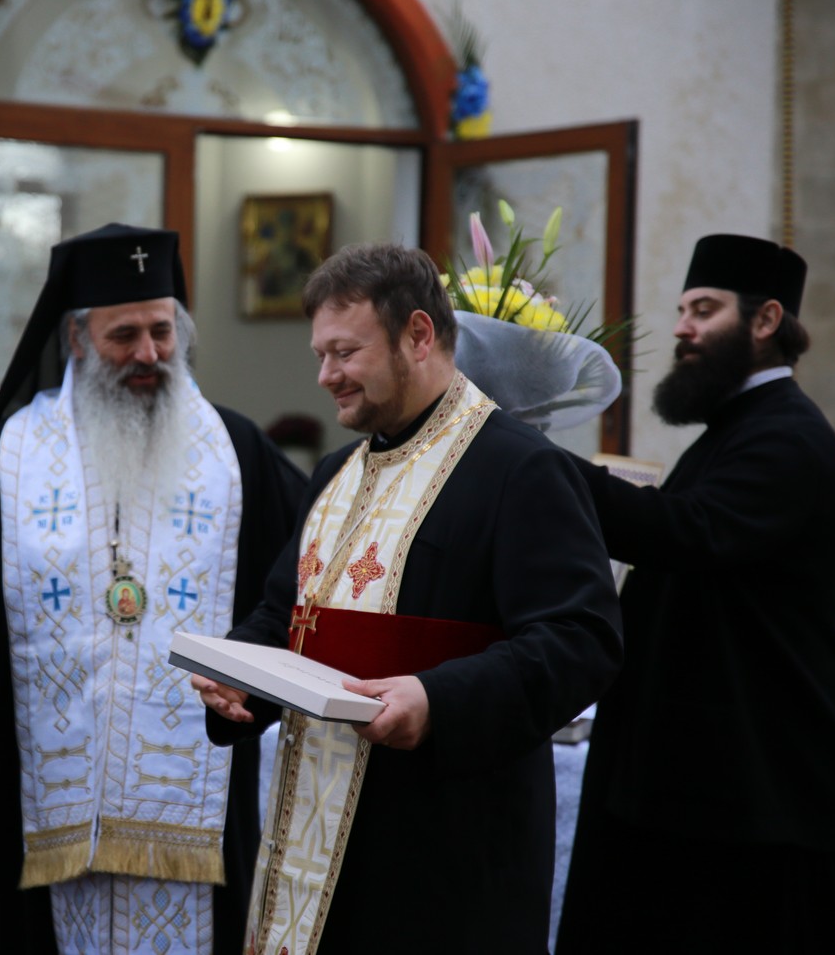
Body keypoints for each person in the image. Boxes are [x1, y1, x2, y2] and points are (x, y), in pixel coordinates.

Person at [194, 242, 622, 954]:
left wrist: (434, 699)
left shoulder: (521, 468)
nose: (325, 375)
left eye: (343, 352)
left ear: (418, 335)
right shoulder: (335, 471)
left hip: (444, 859)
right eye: (320, 354)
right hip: (317, 848)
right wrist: (239, 676)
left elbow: (580, 639)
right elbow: (286, 612)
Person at [0, 223, 307, 954]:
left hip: (201, 794)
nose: (148, 354)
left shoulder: (235, 451)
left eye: (161, 331)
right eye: (124, 336)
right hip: (51, 797)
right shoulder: (13, 453)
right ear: (76, 339)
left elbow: (308, 572)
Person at [556, 235, 835, 953]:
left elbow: (688, 532)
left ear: (764, 321)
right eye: (680, 310)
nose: (680, 328)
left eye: (702, 309)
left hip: (754, 789)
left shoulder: (788, 436)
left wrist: (545, 468)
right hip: (700, 782)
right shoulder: (734, 432)